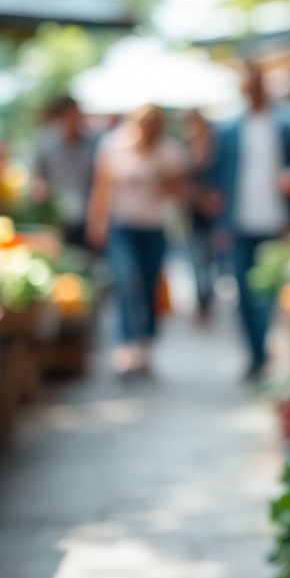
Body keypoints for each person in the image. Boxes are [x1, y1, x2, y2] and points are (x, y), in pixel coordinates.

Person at [209, 62, 290, 381]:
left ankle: (265, 347)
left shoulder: (289, 123)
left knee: (270, 294)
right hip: (239, 224)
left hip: (277, 222)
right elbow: (217, 178)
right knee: (242, 292)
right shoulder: (226, 130)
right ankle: (255, 354)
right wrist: (218, 224)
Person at [86, 105, 188, 377]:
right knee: (127, 281)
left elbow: (179, 192)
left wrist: (164, 180)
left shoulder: (167, 150)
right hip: (123, 226)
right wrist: (96, 222)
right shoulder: (115, 145)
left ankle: (145, 346)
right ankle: (126, 345)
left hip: (154, 227)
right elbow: (102, 188)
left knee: (151, 287)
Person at [32, 95, 97, 249]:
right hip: (57, 219)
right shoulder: (46, 142)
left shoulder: (93, 145)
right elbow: (38, 176)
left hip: (85, 219)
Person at [182, 110, 220, 323]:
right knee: (197, 262)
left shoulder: (216, 149)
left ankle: (207, 300)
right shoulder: (185, 151)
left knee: (211, 263)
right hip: (193, 216)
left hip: (213, 216)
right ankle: (202, 302)